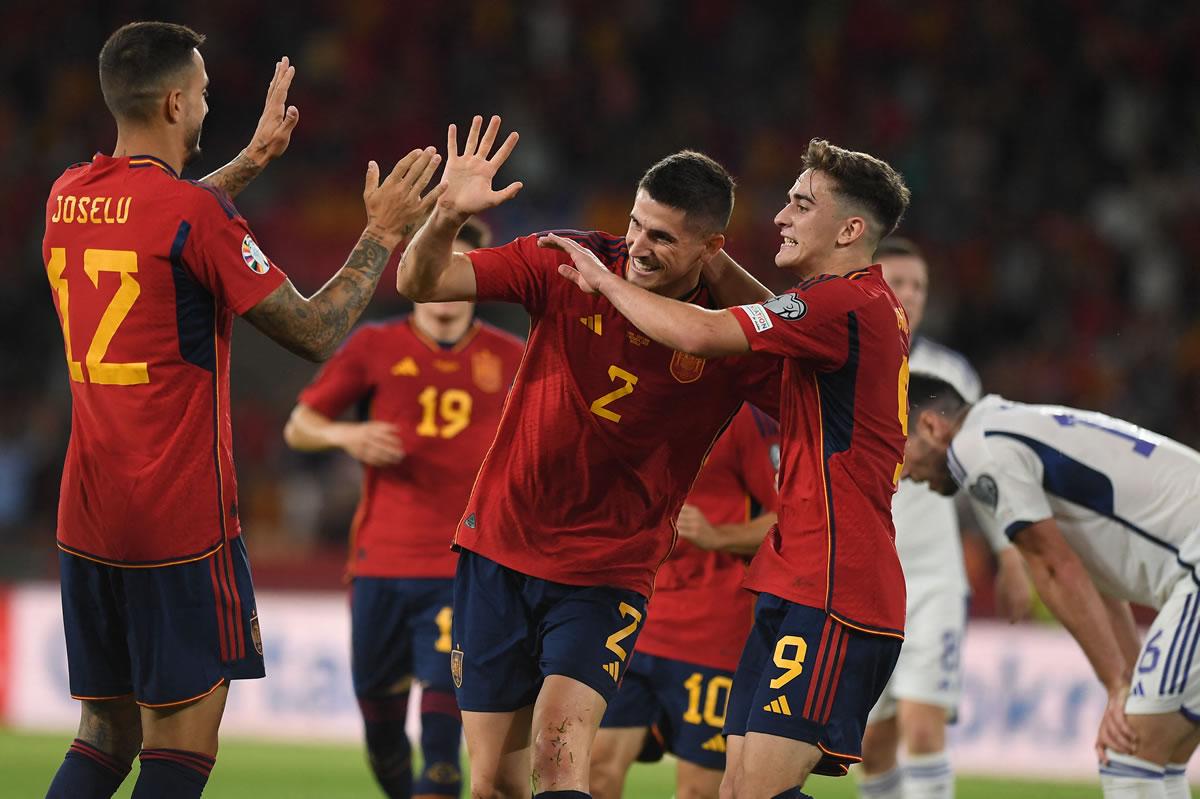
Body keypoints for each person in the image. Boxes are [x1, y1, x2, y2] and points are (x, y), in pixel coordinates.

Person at [42, 21, 445, 799]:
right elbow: (319, 329)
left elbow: (163, 222)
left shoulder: (67, 197)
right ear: (171, 102)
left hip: (84, 517)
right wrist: (381, 234)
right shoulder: (196, 217)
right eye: (199, 94)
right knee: (181, 743)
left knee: (104, 730)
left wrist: (253, 161)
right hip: (176, 523)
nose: (203, 106)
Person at [396, 115, 780, 798]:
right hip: (499, 549)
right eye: (636, 223)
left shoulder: (727, 336)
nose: (638, 245)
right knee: (491, 783)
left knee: (560, 756)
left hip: (606, 572)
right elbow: (421, 282)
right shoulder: (567, 261)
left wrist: (726, 275)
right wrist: (446, 215)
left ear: (711, 248)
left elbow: (801, 362)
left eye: (663, 236)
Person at [546, 138, 913, 798]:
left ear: (851, 229)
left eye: (802, 204)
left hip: (836, 585)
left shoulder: (845, 305)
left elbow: (702, 334)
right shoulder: (845, 310)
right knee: (736, 791)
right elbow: (761, 311)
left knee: (756, 792)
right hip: (792, 578)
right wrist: (711, 262)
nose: (781, 216)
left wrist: (604, 281)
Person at [282, 218, 524, 799]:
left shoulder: (514, 356)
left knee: (442, 754)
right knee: (384, 736)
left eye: (459, 267)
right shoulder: (373, 346)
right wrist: (349, 438)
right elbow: (300, 426)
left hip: (462, 570)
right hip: (379, 567)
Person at [901, 377, 1200, 799]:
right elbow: (1094, 579)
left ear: (932, 426)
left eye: (901, 451)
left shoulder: (976, 450)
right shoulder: (1010, 427)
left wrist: (1116, 684)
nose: (904, 474)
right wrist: (1125, 677)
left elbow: (1054, 567)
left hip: (1196, 562)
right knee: (1157, 756)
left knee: (1128, 754)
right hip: (1191, 562)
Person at [858, 237, 1032, 799]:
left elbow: (985, 471)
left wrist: (1009, 555)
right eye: (898, 282)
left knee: (923, 727)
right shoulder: (844, 356)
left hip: (933, 578)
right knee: (874, 745)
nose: (910, 295)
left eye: (919, 286)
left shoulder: (951, 373)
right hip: (863, 580)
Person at [590, 403, 780, 799]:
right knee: (597, 770)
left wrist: (718, 536)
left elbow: (793, 518)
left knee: (699, 790)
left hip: (712, 631)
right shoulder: (638, 396)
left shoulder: (744, 416)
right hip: (631, 620)